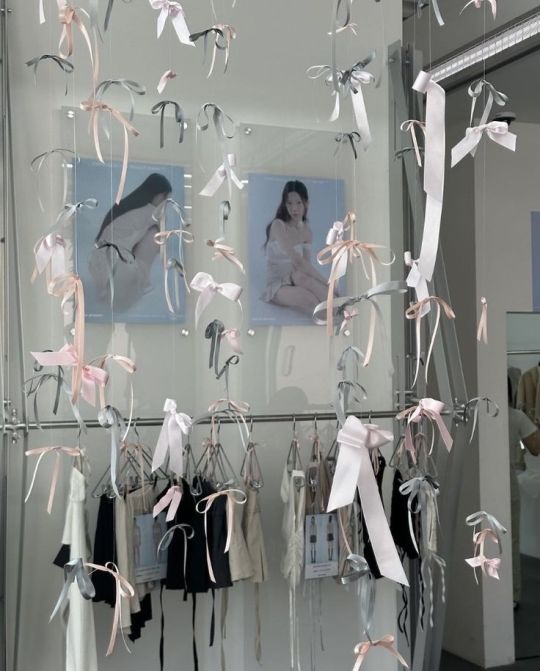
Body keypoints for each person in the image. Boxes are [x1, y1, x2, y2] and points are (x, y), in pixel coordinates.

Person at [89, 173, 172, 312]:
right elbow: (161, 234)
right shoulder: (150, 212)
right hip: (117, 265)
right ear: (159, 195)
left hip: (101, 262)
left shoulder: (127, 206)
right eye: (165, 199)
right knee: (154, 235)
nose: (165, 204)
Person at [262, 180, 330, 316]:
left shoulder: (306, 232)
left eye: (298, 203)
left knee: (308, 281)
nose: (294, 208)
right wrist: (326, 282)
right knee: (310, 300)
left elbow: (306, 265)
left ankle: (340, 310)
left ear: (306, 203)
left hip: (295, 278)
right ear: (284, 204)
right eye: (289, 203)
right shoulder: (278, 226)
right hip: (278, 286)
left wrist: (325, 285)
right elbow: (298, 262)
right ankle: (331, 319)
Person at [508, 375, 540, 607]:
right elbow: (536, 447)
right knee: (511, 539)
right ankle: (511, 596)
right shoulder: (516, 416)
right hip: (507, 483)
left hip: (479, 481)